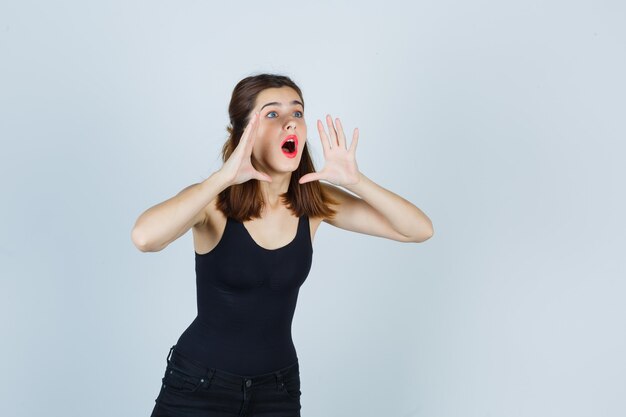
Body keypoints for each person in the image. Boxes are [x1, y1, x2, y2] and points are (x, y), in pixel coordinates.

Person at [131, 73, 433, 417]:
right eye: (272, 114)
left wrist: (356, 181)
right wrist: (222, 178)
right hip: (200, 386)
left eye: (298, 113)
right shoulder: (213, 203)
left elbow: (418, 229)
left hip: (277, 391)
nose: (290, 123)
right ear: (245, 132)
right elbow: (145, 237)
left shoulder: (315, 204)